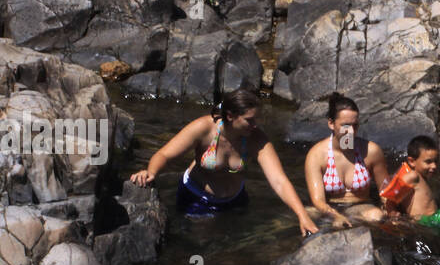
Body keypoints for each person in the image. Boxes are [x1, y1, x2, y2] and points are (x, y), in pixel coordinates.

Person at [128, 88, 319, 235]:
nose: (255, 125)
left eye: (257, 120)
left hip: (236, 199)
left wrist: (302, 215)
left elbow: (279, 180)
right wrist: (151, 172)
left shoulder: (256, 138)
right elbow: (165, 155)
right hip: (197, 200)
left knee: (236, 249)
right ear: (230, 116)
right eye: (249, 120)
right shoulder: (204, 129)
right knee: (202, 249)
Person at [303, 93, 390, 228]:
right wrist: (336, 216)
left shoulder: (371, 151)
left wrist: (389, 211)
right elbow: (318, 200)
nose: (350, 131)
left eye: (355, 126)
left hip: (361, 206)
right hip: (330, 208)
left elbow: (386, 192)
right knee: (303, 213)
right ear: (331, 124)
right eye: (345, 125)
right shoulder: (317, 155)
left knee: (376, 215)